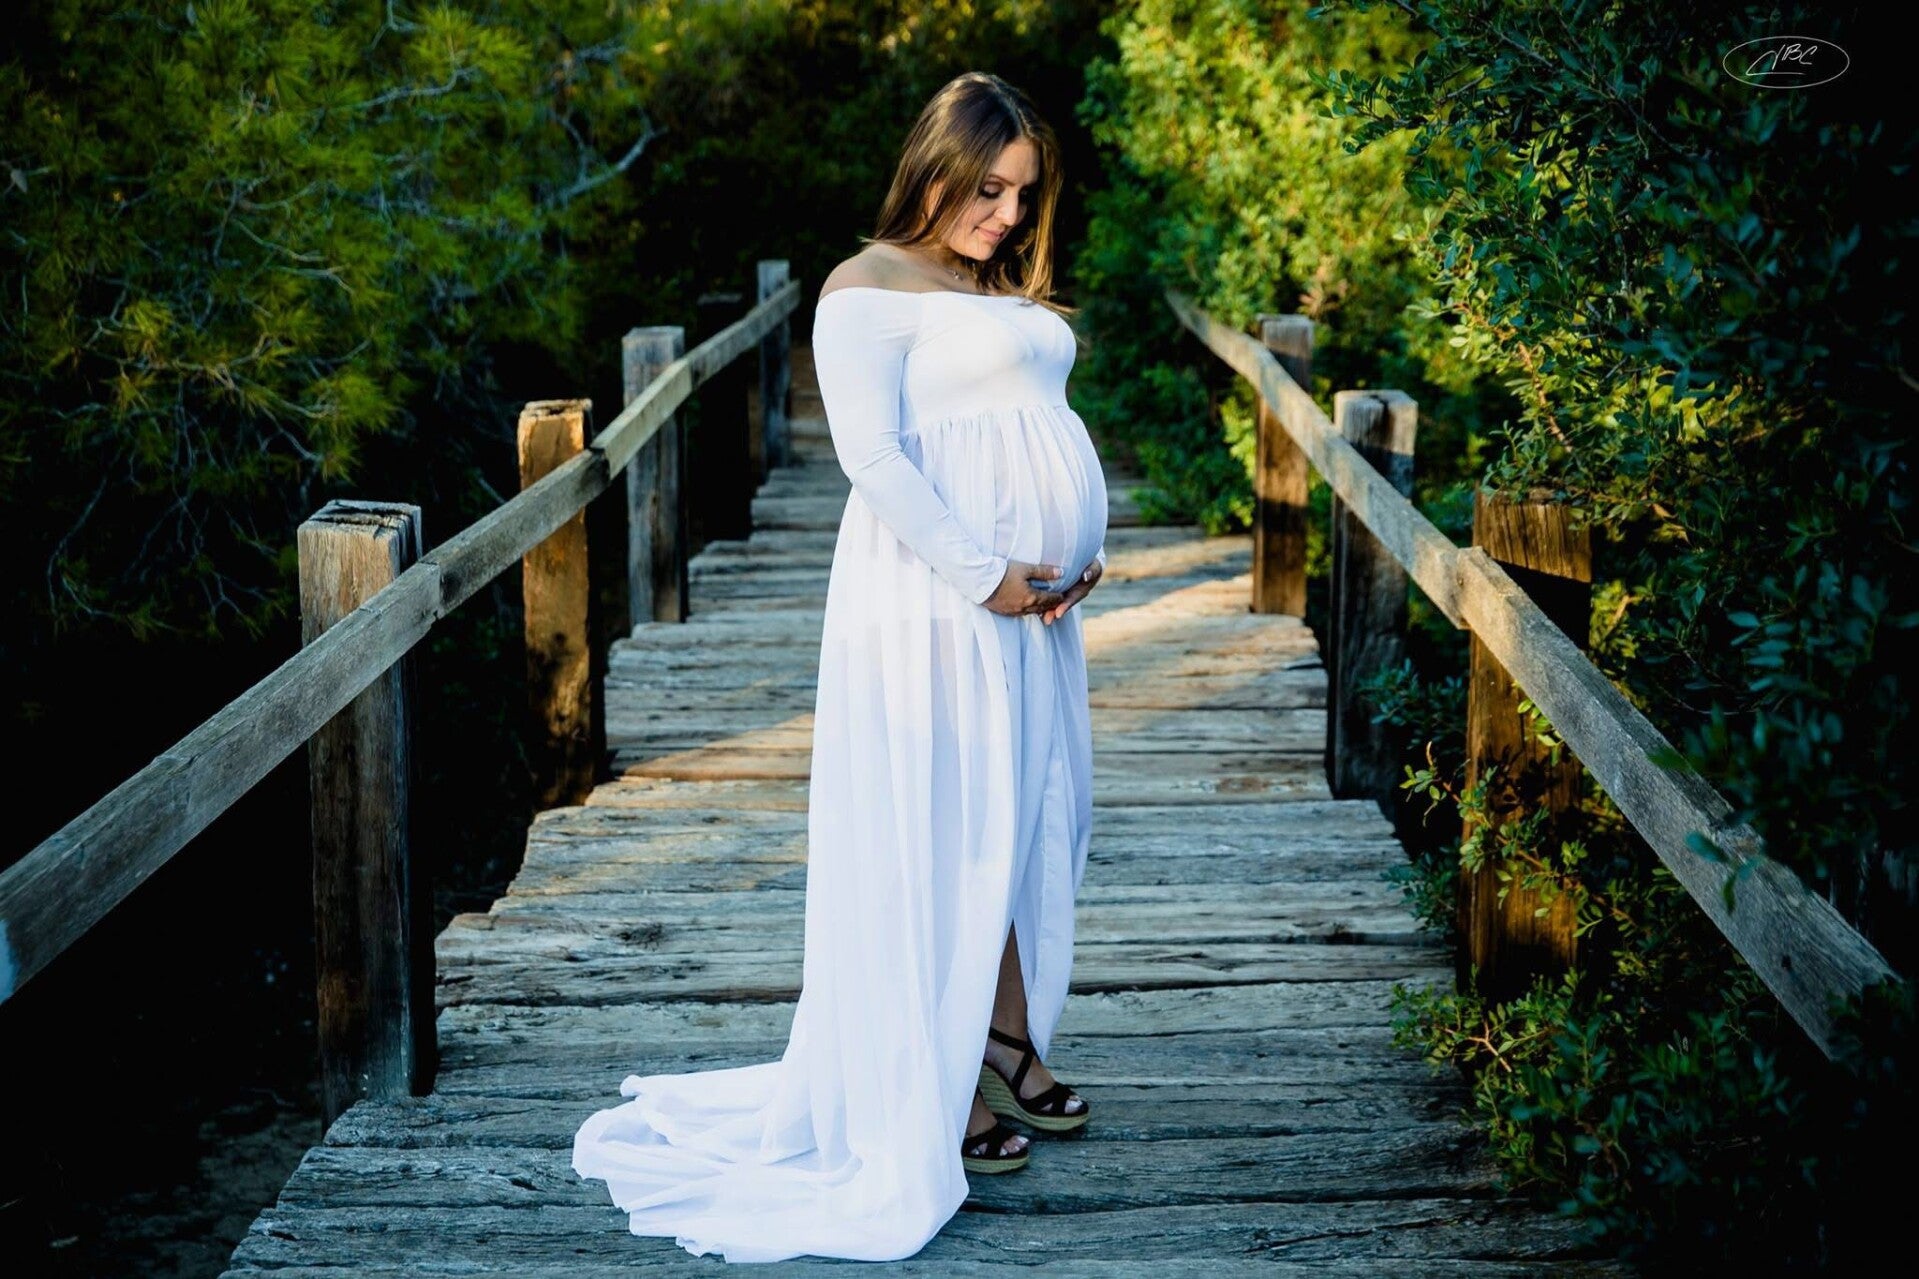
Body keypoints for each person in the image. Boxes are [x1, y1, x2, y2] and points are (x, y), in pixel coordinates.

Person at [571, 70, 1108, 1263]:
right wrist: (985, 573)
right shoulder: (865, 286)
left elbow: (1037, 422)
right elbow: (873, 458)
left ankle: (1001, 1036)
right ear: (935, 168)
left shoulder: (983, 284)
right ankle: (935, 1080)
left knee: (1025, 818)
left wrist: (1077, 550)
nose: (1008, 215)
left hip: (1033, 611)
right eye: (988, 189)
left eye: (1023, 195)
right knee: (945, 825)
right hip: (937, 605)